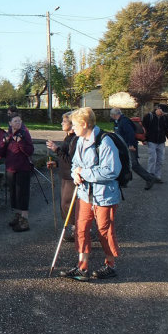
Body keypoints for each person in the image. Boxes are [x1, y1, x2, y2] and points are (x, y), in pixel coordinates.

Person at [60, 107, 121, 281]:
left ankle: (110, 264)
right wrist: (75, 174)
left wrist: (83, 173)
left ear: (85, 124)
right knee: (81, 228)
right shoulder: (80, 141)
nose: (73, 128)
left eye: (75, 124)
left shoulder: (105, 142)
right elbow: (75, 165)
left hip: (105, 196)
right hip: (85, 193)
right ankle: (82, 266)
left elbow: (112, 171)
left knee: (104, 231)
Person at [46, 111, 78, 241]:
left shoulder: (75, 139)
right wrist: (56, 163)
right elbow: (65, 159)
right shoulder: (68, 137)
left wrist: (56, 150)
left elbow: (71, 160)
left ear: (71, 124)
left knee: (69, 203)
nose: (61, 123)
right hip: (65, 175)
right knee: (65, 204)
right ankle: (74, 229)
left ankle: (79, 230)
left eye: (64, 121)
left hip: (72, 176)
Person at [110, 107, 157, 190]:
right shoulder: (119, 121)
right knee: (124, 164)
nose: (111, 116)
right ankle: (124, 181)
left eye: (111, 115)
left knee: (134, 165)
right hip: (124, 146)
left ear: (114, 115)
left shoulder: (124, 121)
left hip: (130, 146)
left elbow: (131, 133)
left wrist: (131, 145)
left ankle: (149, 178)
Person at [4, 113, 34, 232]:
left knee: (22, 194)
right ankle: (17, 215)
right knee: (13, 193)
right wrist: (4, 143)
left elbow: (30, 151)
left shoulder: (25, 134)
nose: (18, 123)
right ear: (10, 123)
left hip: (23, 168)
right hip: (11, 168)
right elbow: (1, 151)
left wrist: (20, 142)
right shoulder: (9, 134)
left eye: (19, 121)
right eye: (15, 121)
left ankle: (24, 220)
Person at [142, 103, 168, 183]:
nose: (163, 114)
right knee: (152, 158)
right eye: (162, 112)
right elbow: (143, 129)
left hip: (161, 141)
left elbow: (167, 130)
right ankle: (149, 176)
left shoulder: (165, 118)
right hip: (151, 140)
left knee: (161, 160)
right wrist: (144, 139)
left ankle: (157, 176)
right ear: (158, 109)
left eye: (164, 113)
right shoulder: (148, 116)